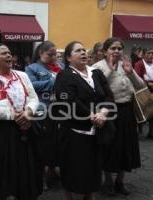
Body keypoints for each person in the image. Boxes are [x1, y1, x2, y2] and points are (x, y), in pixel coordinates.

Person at [0, 44, 41, 200]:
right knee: (4, 171)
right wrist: (14, 115)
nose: (8, 56)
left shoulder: (22, 76)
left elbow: (33, 98)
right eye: (3, 53)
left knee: (25, 169)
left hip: (25, 127)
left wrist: (28, 112)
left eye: (9, 53)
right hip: (1, 132)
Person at [54, 41, 114, 200]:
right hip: (75, 131)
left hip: (98, 129)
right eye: (78, 51)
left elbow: (108, 95)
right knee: (73, 168)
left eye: (83, 50)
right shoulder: (64, 75)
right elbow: (68, 100)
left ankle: (90, 196)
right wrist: (91, 115)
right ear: (68, 57)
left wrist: (103, 113)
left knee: (94, 168)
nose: (83, 53)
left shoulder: (96, 73)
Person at [92, 37, 145, 196]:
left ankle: (120, 181)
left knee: (126, 146)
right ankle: (107, 181)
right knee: (108, 145)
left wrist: (131, 73)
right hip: (108, 110)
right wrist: (109, 68)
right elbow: (97, 88)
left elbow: (140, 85)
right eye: (112, 48)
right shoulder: (97, 67)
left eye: (119, 48)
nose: (116, 51)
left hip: (127, 111)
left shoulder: (126, 64)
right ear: (105, 51)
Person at [25, 41, 62, 191]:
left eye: (55, 54)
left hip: (61, 110)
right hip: (42, 110)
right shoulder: (32, 68)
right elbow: (31, 86)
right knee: (42, 145)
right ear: (41, 53)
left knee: (56, 143)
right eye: (50, 54)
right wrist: (53, 81)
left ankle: (52, 173)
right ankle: (41, 178)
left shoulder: (61, 67)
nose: (53, 57)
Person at [134, 47, 153, 139]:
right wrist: (147, 83)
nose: (150, 55)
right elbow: (137, 76)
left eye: (152, 53)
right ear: (144, 54)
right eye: (148, 53)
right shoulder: (139, 64)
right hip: (143, 89)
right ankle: (140, 130)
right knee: (143, 110)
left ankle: (151, 132)